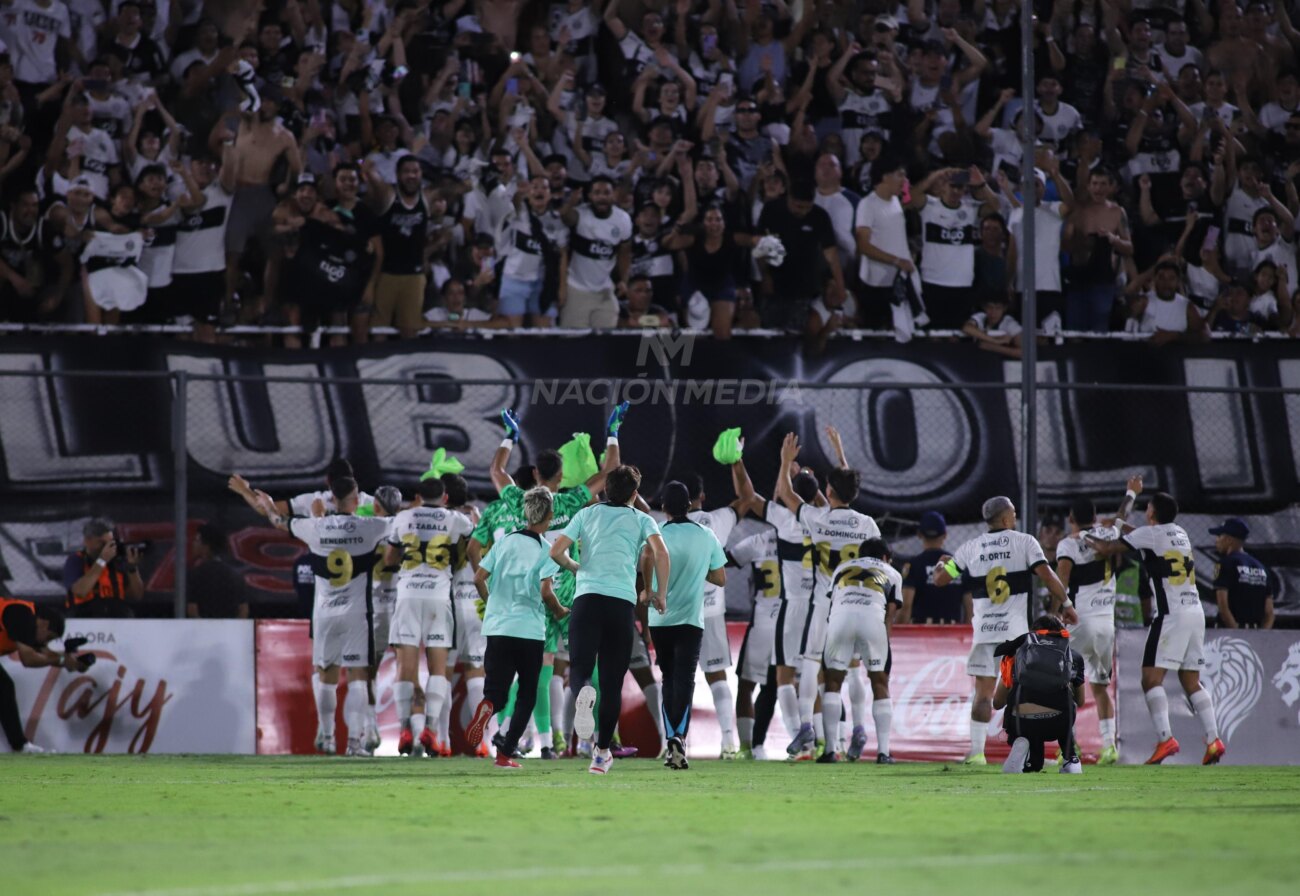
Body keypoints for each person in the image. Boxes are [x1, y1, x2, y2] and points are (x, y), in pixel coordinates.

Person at [1087, 485, 1226, 765]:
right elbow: (1138, 535)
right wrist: (1116, 524)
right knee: (1191, 681)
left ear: (1151, 513)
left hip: (1170, 614)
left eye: (1147, 507)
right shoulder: (1179, 533)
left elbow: (1105, 548)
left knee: (1150, 680)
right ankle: (1214, 739)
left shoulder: (1149, 534)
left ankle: (1165, 738)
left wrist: (1086, 535)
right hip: (1195, 611)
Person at [252, 476, 391, 756]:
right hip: (356, 614)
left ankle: (327, 737)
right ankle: (354, 743)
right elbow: (397, 523)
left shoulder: (314, 527)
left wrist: (268, 506)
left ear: (332, 498)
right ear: (355, 501)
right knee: (358, 676)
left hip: (325, 613)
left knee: (325, 675)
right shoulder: (370, 527)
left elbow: (279, 522)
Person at [932, 495, 1075, 765]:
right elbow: (1047, 575)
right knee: (1031, 692)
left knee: (983, 693)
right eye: (1014, 514)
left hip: (985, 632)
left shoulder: (968, 548)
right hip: (1017, 633)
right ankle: (1044, 750)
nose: (1016, 518)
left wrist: (942, 564)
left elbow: (940, 579)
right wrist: (1066, 603)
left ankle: (976, 753)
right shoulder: (1024, 542)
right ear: (1007, 518)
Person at [548, 465, 669, 776]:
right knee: (613, 683)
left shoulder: (587, 514)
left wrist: (576, 567)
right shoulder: (642, 519)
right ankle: (601, 753)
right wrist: (659, 592)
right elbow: (660, 552)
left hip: (587, 599)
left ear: (603, 491)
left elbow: (556, 552)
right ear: (634, 494)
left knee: (580, 670)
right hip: (621, 605)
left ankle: (584, 692)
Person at [775, 428, 880, 761]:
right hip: (856, 604)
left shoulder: (817, 519)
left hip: (823, 605)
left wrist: (784, 462)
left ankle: (806, 724)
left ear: (828, 490)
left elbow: (785, 493)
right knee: (849, 669)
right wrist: (841, 455)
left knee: (808, 663)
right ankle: (859, 727)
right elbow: (848, 496)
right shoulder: (867, 524)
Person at [466, 486, 569, 768]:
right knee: (527, 693)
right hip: (529, 630)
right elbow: (547, 592)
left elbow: (478, 577)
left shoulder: (506, 541)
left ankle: (488, 707)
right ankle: (505, 753)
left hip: (498, 627)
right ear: (549, 515)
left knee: (497, 691)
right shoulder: (547, 550)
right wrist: (560, 612)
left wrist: (493, 604)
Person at [383, 476, 475, 758]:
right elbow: (469, 544)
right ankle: (432, 730)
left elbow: (388, 559)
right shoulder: (455, 519)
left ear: (419, 497)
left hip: (408, 595)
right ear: (445, 498)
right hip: (438, 596)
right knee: (438, 668)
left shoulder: (403, 517)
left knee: (405, 667)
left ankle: (404, 728)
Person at [646, 481, 727, 769]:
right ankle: (679, 736)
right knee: (685, 678)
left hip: (659, 617)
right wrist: (696, 569)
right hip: (691, 620)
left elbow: (642, 566)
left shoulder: (655, 533)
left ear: (664, 506)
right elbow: (720, 578)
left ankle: (671, 741)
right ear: (690, 504)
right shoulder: (706, 535)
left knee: (668, 678)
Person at [681, 457, 755, 760]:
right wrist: (737, 462)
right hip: (709, 612)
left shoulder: (664, 526)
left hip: (675, 613)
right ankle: (728, 742)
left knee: (675, 679)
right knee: (717, 676)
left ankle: (670, 742)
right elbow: (748, 499)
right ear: (703, 496)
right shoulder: (718, 519)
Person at [1052, 495, 1126, 766]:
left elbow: (1062, 578)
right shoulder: (1108, 534)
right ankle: (1109, 747)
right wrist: (1131, 494)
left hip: (1079, 622)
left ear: (1071, 519)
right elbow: (1122, 518)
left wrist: (1057, 610)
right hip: (1107, 623)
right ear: (1095, 517)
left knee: (1065, 684)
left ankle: (1069, 745)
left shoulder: (1068, 544)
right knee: (1101, 686)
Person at [819, 538, 901, 764]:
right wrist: (883, 646)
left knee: (833, 684)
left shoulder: (842, 568)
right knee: (879, 683)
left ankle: (829, 750)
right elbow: (890, 614)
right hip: (873, 621)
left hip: (839, 620)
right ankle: (883, 752)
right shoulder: (892, 572)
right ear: (885, 557)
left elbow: (833, 603)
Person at [994, 614, 1086, 774]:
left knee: (1023, 703)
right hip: (1057, 724)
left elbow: (998, 702)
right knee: (1068, 705)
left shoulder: (1016, 655)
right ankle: (1070, 759)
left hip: (1021, 723)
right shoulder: (1075, 657)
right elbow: (1081, 700)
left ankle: (1021, 745)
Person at [0, 598, 92, 753]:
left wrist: (72, 662)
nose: (46, 642)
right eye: (49, 637)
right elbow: (29, 659)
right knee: (4, 687)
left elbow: (45, 653)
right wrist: (62, 660)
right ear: (44, 623)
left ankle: (20, 745)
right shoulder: (21, 615)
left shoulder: (27, 620)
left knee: (4, 687)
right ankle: (19, 746)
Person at [559, 175, 631, 328]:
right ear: (590, 196)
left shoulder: (623, 220)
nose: (602, 197)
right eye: (597, 193)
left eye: (606, 193)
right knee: (573, 343)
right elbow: (565, 217)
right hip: (576, 289)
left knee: (604, 341)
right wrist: (571, 202)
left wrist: (624, 280)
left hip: (604, 291)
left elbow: (624, 252)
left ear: (614, 195)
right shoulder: (580, 214)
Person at [62, 518, 144, 618]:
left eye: (110, 543)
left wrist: (132, 568)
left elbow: (136, 596)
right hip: (85, 617)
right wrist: (102, 560)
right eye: (102, 543)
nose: (106, 548)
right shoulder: (76, 560)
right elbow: (80, 591)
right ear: (87, 541)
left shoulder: (117, 561)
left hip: (117, 616)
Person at [900, 512, 964, 624]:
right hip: (953, 632)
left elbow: (906, 605)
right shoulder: (957, 564)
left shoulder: (914, 564)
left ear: (919, 534)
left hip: (921, 631)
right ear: (945, 535)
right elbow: (970, 606)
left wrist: (900, 634)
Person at [1210, 517, 1274, 630]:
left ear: (1229, 539)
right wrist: (1264, 635)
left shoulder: (1225, 564)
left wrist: (1237, 633)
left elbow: (1223, 607)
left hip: (1229, 632)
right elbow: (1269, 613)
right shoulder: (1262, 567)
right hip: (1256, 632)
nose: (1216, 540)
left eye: (1219, 536)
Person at [186, 523, 249, 619]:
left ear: (206, 546)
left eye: (197, 540)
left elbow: (192, 610)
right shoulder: (235, 575)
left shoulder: (195, 574)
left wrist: (207, 630)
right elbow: (243, 610)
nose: (193, 543)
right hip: (229, 630)